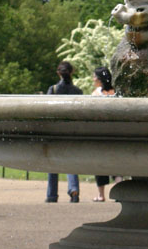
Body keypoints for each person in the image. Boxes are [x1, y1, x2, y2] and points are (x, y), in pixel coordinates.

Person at [44, 61, 82, 203]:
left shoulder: (53, 89)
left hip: (55, 130)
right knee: (70, 161)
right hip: (71, 131)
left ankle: (52, 194)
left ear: (58, 73)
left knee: (52, 162)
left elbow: (45, 110)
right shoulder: (77, 91)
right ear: (71, 72)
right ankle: (74, 190)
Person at [90, 66, 117, 202]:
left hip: (100, 132)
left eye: (94, 76)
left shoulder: (97, 93)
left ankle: (101, 195)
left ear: (100, 79)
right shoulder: (116, 92)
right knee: (117, 162)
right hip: (115, 133)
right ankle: (119, 190)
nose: (93, 79)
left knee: (99, 163)